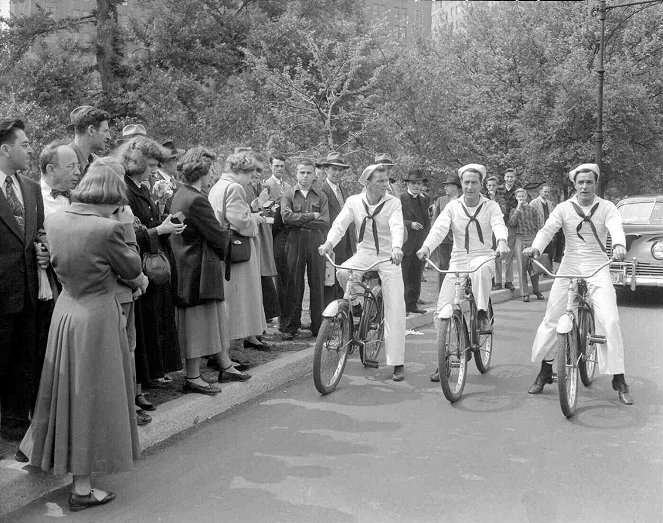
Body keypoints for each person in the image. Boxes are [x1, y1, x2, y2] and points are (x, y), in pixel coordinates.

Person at [19, 168, 143, 512]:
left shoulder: (57, 219)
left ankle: (42, 453)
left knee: (63, 393)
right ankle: (83, 488)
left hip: (66, 310)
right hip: (97, 319)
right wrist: (126, 224)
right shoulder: (107, 228)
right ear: (112, 197)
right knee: (92, 398)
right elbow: (131, 269)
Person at [523, 163, 633, 405]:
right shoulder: (563, 208)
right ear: (574, 185)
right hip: (570, 263)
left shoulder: (607, 207)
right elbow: (547, 229)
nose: (584, 186)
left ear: (596, 184)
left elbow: (616, 227)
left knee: (610, 318)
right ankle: (545, 369)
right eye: (580, 182)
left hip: (597, 264)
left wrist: (618, 245)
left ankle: (618, 377)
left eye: (589, 182)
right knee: (552, 316)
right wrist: (536, 247)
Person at [417, 164, 509, 382]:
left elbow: (498, 224)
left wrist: (503, 241)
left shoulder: (491, 206)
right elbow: (439, 229)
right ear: (462, 184)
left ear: (481, 184)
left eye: (474, 182)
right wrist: (426, 247)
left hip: (483, 255)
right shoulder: (453, 207)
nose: (469, 186)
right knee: (442, 309)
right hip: (458, 258)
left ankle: (481, 313)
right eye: (466, 182)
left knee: (479, 271)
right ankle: (444, 358)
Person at [170, 147, 250, 394]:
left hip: (187, 266)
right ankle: (193, 377)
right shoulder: (196, 200)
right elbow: (216, 234)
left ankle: (224, 366)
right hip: (198, 270)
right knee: (198, 324)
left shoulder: (180, 194)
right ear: (202, 173)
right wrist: (226, 233)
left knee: (208, 320)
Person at [319, 164, 406, 381]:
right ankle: (355, 308)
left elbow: (397, 226)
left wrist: (397, 247)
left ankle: (397, 362)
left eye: (387, 180)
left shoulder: (393, 202)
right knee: (342, 272)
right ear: (367, 183)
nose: (386, 185)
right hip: (365, 252)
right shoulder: (354, 202)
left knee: (395, 305)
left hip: (388, 256)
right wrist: (329, 242)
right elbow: (340, 224)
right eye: (380, 181)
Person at [116, 136, 184, 404]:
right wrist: (160, 229)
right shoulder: (125, 188)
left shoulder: (140, 186)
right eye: (152, 164)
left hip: (151, 264)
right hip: (138, 265)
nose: (155, 170)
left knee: (150, 325)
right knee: (140, 330)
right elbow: (129, 234)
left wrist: (161, 224)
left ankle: (146, 381)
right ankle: (137, 388)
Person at [0, 118, 50, 444]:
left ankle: (15, 423)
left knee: (23, 359)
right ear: (5, 149)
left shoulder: (31, 188)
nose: (31, 149)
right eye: (25, 144)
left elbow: (39, 231)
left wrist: (44, 253)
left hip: (29, 291)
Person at [208, 153, 269, 350]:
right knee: (238, 298)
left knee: (231, 298)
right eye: (250, 174)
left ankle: (225, 347)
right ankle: (227, 348)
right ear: (242, 172)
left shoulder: (218, 185)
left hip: (223, 247)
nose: (251, 179)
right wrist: (255, 220)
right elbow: (239, 221)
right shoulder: (234, 187)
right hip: (236, 248)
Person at [280, 159, 329, 339]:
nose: (305, 176)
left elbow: (325, 221)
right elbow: (286, 218)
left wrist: (300, 218)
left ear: (314, 175)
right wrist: (310, 216)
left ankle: (318, 326)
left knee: (317, 283)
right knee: (293, 282)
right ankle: (290, 326)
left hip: (316, 240)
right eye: (302, 172)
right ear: (296, 173)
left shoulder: (321, 195)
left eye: (309, 172)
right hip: (295, 239)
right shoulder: (288, 195)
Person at [319, 151, 356, 306]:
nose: (337, 173)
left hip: (346, 243)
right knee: (329, 282)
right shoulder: (321, 190)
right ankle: (330, 317)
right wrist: (328, 242)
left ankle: (343, 316)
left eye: (340, 170)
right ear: (326, 170)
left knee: (344, 280)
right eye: (334, 169)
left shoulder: (344, 191)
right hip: (330, 243)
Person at [264, 154, 292, 321]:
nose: (280, 169)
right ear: (271, 167)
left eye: (282, 166)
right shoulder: (266, 185)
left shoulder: (288, 186)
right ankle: (278, 316)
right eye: (277, 166)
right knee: (278, 274)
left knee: (288, 274)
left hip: (288, 233)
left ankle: (287, 314)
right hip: (274, 233)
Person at [400, 168, 431, 314]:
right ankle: (402, 307)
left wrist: (427, 242)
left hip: (419, 243)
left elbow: (427, 220)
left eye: (419, 183)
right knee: (403, 276)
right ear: (408, 184)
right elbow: (394, 219)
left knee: (416, 275)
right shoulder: (400, 198)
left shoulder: (424, 199)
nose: (416, 186)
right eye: (414, 183)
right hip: (405, 243)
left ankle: (412, 305)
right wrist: (409, 224)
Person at [509, 188, 544, 302]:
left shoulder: (533, 209)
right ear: (516, 198)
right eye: (519, 197)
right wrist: (518, 209)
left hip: (532, 238)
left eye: (523, 196)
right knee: (522, 267)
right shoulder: (514, 210)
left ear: (526, 197)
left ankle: (536, 289)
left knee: (534, 267)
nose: (521, 199)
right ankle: (524, 293)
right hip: (520, 239)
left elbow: (539, 225)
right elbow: (512, 223)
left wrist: (539, 240)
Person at [431, 173, 462, 291]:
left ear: (454, 187)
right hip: (443, 240)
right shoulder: (440, 200)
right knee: (443, 266)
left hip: (459, 240)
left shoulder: (463, 200)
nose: (445, 188)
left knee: (458, 266)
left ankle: (457, 291)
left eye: (447, 186)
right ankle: (442, 292)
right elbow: (435, 220)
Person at [67, 106, 111, 179]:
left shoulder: (99, 164)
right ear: (91, 130)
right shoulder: (62, 161)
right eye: (105, 131)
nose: (109, 137)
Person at [39, 142, 80, 215]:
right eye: (71, 166)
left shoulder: (79, 197)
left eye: (77, 166)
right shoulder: (34, 200)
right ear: (51, 170)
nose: (78, 172)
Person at [497, 167, 519, 290]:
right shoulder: (498, 190)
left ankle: (509, 280)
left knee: (509, 254)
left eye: (512, 177)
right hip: (498, 223)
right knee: (498, 253)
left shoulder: (518, 191)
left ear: (514, 178)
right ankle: (498, 281)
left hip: (511, 225)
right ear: (504, 178)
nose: (509, 179)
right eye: (507, 176)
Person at [152, 139, 185, 214]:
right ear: (163, 163)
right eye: (174, 159)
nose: (177, 163)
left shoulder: (177, 183)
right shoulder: (154, 183)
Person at [529, 184, 557, 263]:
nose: (547, 193)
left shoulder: (550, 203)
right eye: (545, 192)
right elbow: (531, 219)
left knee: (549, 254)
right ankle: (539, 272)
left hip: (549, 233)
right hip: (538, 233)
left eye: (548, 192)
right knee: (539, 254)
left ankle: (548, 272)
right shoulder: (533, 203)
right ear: (540, 191)